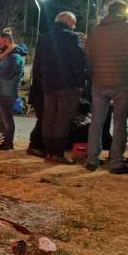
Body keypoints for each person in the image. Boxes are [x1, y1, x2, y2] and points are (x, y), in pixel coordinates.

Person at [85, 0, 128, 174]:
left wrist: (94, 75)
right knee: (119, 122)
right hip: (124, 83)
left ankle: (92, 160)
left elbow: (88, 56)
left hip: (99, 83)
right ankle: (116, 162)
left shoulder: (95, 30)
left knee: (96, 122)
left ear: (108, 12)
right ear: (123, 11)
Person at [32, 11, 88, 164]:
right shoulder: (72, 37)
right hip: (68, 85)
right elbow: (78, 62)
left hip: (48, 84)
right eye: (74, 23)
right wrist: (80, 82)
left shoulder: (43, 38)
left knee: (49, 117)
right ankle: (56, 153)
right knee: (63, 119)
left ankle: (47, 152)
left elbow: (37, 64)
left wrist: (38, 83)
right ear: (69, 22)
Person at [0, 33, 28, 150]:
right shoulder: (6, 55)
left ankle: (8, 143)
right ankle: (6, 141)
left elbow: (6, 73)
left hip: (7, 92)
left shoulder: (14, 57)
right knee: (3, 118)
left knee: (7, 119)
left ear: (6, 41)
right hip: (1, 90)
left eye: (0, 43)